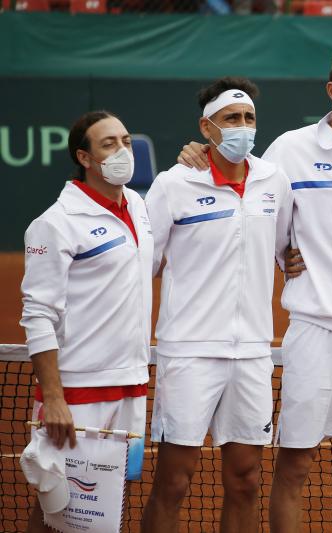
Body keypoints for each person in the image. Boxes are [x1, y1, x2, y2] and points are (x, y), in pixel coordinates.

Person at [176, 49, 332, 533]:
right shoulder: (290, 150)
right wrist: (196, 153)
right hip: (315, 329)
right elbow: (264, 216)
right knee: (295, 462)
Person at [140, 77, 293, 533]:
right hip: (188, 352)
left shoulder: (274, 181)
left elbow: (286, 246)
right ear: (207, 128)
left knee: (246, 481)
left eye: (248, 118)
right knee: (174, 481)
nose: (242, 127)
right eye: (231, 119)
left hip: (251, 353)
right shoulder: (173, 184)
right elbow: (142, 262)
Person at [20, 110, 153, 532]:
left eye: (126, 141)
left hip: (131, 385)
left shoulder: (137, 205)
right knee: (56, 505)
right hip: (78, 394)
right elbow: (38, 314)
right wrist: (54, 398)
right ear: (85, 157)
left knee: (108, 501)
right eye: (108, 144)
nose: (122, 151)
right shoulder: (54, 224)